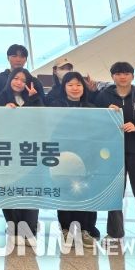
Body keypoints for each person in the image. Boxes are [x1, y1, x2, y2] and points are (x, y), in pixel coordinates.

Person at [95, 62, 135, 256]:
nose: (122, 77)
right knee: (115, 196)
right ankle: (114, 234)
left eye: (126, 73)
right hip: (113, 153)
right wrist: (106, 113)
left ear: (132, 76)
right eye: (118, 74)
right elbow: (94, 120)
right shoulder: (104, 97)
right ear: (112, 77)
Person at [50, 71, 100, 248]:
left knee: (86, 192)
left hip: (87, 157)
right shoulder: (55, 106)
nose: (75, 88)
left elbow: (98, 132)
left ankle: (86, 229)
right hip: (64, 157)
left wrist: (113, 112)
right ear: (64, 87)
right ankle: (66, 229)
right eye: (70, 84)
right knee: (65, 191)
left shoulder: (92, 108)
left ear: (84, 88)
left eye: (78, 84)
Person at [0, 67, 42, 248]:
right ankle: (13, 226)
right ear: (10, 80)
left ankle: (29, 229)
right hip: (7, 151)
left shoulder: (34, 99)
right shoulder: (0, 99)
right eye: (16, 78)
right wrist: (2, 110)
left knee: (30, 189)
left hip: (30, 151)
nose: (19, 82)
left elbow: (44, 119)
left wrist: (35, 99)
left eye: (23, 80)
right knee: (8, 188)